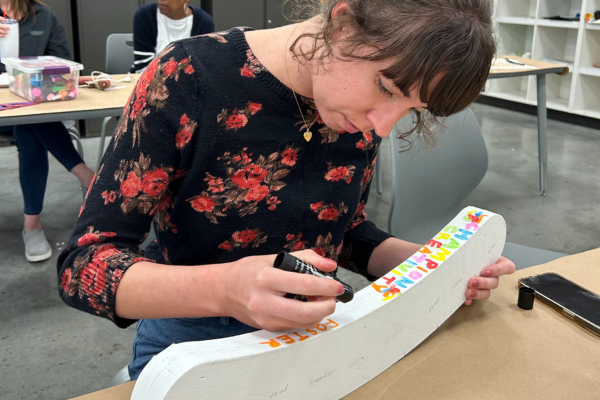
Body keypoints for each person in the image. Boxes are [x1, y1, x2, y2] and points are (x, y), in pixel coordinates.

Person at [58, 0, 516, 380]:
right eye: (385, 87)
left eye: (411, 110)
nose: (384, 124)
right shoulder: (190, 76)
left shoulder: (357, 110)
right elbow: (84, 266)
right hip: (192, 339)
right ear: (341, 24)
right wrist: (224, 290)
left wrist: (428, 266)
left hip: (315, 330)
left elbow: (345, 231)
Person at [0, 0, 95, 262]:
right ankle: (87, 176)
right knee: (32, 121)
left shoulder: (43, 16)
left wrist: (38, 74)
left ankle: (32, 225)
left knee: (29, 128)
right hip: (3, 108)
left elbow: (61, 63)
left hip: (34, 104)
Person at [131, 0, 214, 73]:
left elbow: (200, 69)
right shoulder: (145, 15)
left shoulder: (203, 22)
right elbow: (142, 66)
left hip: (187, 86)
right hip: (146, 82)